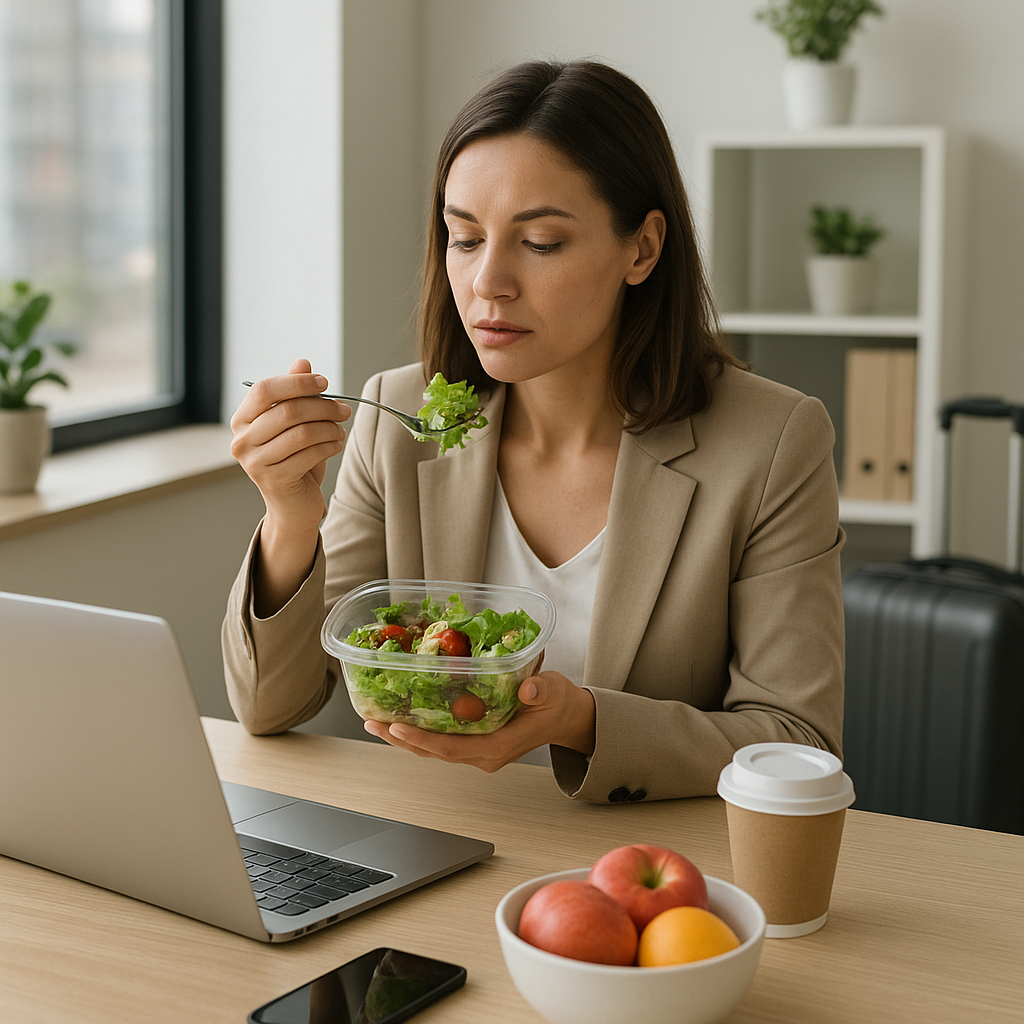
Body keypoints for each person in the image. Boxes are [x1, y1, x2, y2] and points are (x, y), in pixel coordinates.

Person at [223, 58, 845, 804]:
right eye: (464, 239)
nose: (488, 283)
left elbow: (795, 739)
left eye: (541, 242)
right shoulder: (403, 419)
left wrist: (580, 720)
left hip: (646, 868)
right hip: (433, 842)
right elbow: (271, 707)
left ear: (642, 249)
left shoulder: (772, 441)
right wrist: (291, 519)